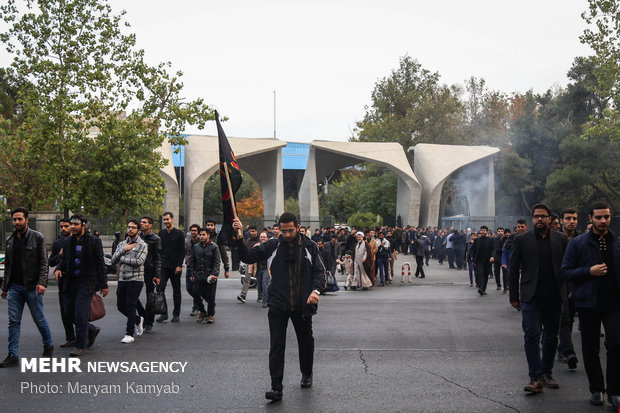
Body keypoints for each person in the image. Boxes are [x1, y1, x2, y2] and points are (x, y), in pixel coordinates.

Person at [232, 213, 326, 401]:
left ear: (298, 227)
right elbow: (248, 256)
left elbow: (319, 273)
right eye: (283, 231)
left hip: (302, 304)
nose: (287, 234)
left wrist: (315, 291)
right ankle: (276, 387)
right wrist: (240, 235)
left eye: (290, 230)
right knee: (276, 345)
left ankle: (307, 373)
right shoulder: (273, 245)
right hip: (278, 304)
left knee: (306, 342)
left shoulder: (310, 246)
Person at [561, 201, 620, 408]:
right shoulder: (578, 243)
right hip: (587, 303)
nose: (603, 221)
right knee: (590, 348)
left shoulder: (617, 242)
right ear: (591, 218)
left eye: (607, 217)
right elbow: (566, 271)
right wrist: (589, 271)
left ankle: (614, 391)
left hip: (613, 303)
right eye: (599, 217)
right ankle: (597, 389)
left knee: (615, 344)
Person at [509, 203, 568, 394]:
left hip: (554, 296)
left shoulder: (561, 239)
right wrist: (514, 296)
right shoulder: (522, 239)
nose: (539, 219)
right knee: (532, 335)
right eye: (536, 216)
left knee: (551, 337)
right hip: (531, 297)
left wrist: (569, 289)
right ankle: (535, 377)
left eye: (543, 216)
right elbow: (513, 268)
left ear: (550, 219)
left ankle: (547, 373)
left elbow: (568, 266)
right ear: (532, 219)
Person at [0, 208, 53, 367]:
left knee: (39, 319)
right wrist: (4, 287)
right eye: (14, 220)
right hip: (14, 288)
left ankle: (48, 344)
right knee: (13, 321)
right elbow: (8, 266)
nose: (16, 222)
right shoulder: (9, 240)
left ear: (26, 220)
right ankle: (13, 355)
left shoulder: (37, 237)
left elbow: (44, 262)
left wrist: (42, 283)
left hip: (32, 287)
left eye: (19, 219)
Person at [54, 214, 109, 357]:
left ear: (83, 225)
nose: (72, 227)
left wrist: (104, 284)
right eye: (71, 224)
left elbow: (100, 263)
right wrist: (58, 268)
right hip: (70, 282)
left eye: (75, 225)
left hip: (86, 283)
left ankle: (81, 345)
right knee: (68, 313)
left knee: (80, 313)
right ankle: (91, 330)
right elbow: (64, 259)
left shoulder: (94, 241)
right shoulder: (67, 242)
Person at [111, 219, 148, 344]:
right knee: (120, 306)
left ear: (138, 230)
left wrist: (123, 258)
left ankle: (129, 333)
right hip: (122, 279)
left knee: (131, 304)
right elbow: (113, 260)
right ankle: (137, 320)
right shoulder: (122, 244)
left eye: (133, 227)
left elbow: (139, 262)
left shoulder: (142, 245)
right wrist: (124, 250)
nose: (130, 229)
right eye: (129, 227)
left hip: (136, 279)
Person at [557, 208, 579, 370]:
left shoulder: (582, 239)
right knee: (564, 320)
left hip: (579, 287)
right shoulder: (556, 239)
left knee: (570, 320)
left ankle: (562, 347)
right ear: (562, 221)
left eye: (574, 218)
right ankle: (568, 351)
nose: (571, 221)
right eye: (568, 218)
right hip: (561, 287)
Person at [48, 218, 75, 348]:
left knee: (78, 309)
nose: (63, 229)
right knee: (64, 310)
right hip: (63, 281)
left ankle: (87, 331)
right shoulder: (57, 243)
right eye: (61, 227)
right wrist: (59, 255)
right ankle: (70, 337)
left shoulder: (78, 240)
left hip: (76, 280)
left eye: (66, 226)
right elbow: (51, 262)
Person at [157, 212, 185, 323]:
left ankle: (176, 314)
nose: (165, 222)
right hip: (163, 266)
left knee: (176, 291)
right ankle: (164, 314)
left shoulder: (179, 234)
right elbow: (159, 250)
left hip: (175, 267)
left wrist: (179, 265)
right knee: (160, 289)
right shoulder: (161, 233)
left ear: (172, 219)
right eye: (164, 220)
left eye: (167, 219)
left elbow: (182, 251)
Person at [189, 228, 221, 323]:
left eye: (203, 235)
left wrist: (214, 274)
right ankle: (202, 312)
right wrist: (191, 273)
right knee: (195, 293)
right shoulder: (196, 247)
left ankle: (210, 315)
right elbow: (192, 261)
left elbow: (217, 262)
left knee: (211, 297)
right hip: (199, 274)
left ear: (208, 235)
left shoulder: (214, 247)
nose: (201, 237)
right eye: (200, 235)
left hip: (210, 275)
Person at [138, 216, 161, 334]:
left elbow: (158, 258)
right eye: (141, 222)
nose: (141, 224)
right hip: (137, 270)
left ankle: (149, 323)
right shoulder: (137, 237)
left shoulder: (155, 239)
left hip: (150, 271)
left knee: (150, 298)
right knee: (133, 296)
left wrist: (157, 275)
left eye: (144, 222)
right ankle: (143, 316)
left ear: (150, 225)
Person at [471, 226, 496, 296]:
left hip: (488, 261)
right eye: (481, 230)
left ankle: (483, 289)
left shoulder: (491, 240)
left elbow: (494, 249)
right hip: (479, 260)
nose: (482, 232)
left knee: (485, 275)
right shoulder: (477, 240)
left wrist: (492, 256)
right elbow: (472, 250)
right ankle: (480, 288)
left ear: (487, 232)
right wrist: (473, 258)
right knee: (480, 274)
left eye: (484, 231)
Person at [185, 224, 202, 316]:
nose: (193, 232)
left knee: (196, 289)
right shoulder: (188, 242)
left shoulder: (201, 242)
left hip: (198, 268)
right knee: (189, 288)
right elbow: (186, 253)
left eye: (195, 230)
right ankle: (199, 300)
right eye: (192, 230)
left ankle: (196, 307)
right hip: (189, 267)